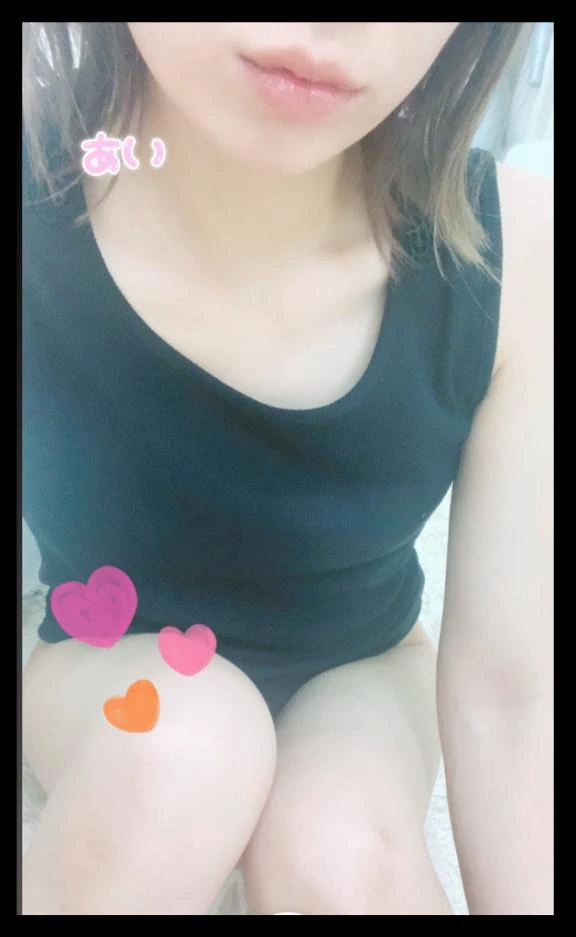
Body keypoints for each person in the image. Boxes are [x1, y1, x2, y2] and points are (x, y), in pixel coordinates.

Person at [21, 23, 553, 915]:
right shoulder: (44, 181)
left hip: (360, 665)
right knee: (181, 748)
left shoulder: (514, 251)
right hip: (98, 653)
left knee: (341, 852)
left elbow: (510, 691)